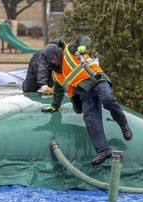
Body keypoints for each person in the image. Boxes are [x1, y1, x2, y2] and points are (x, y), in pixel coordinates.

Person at [41, 36, 133, 166]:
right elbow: (58, 90)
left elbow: (83, 39)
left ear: (57, 53)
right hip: (85, 93)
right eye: (50, 61)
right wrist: (55, 105)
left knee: (107, 99)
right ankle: (103, 150)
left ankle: (123, 124)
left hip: (96, 81)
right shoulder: (56, 74)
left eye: (53, 58)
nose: (53, 62)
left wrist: (82, 46)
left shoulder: (69, 50)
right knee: (90, 118)